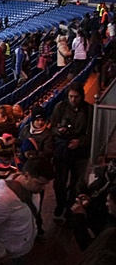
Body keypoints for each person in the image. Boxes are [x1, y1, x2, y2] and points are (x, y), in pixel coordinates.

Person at [52, 86, 92, 219]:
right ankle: (60, 204)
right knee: (59, 182)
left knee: (76, 183)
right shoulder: (60, 107)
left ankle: (70, 208)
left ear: (82, 96)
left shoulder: (89, 109)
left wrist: (79, 142)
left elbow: (91, 132)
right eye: (71, 97)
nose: (73, 100)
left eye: (76, 97)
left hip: (80, 153)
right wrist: (60, 131)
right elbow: (52, 127)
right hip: (63, 151)